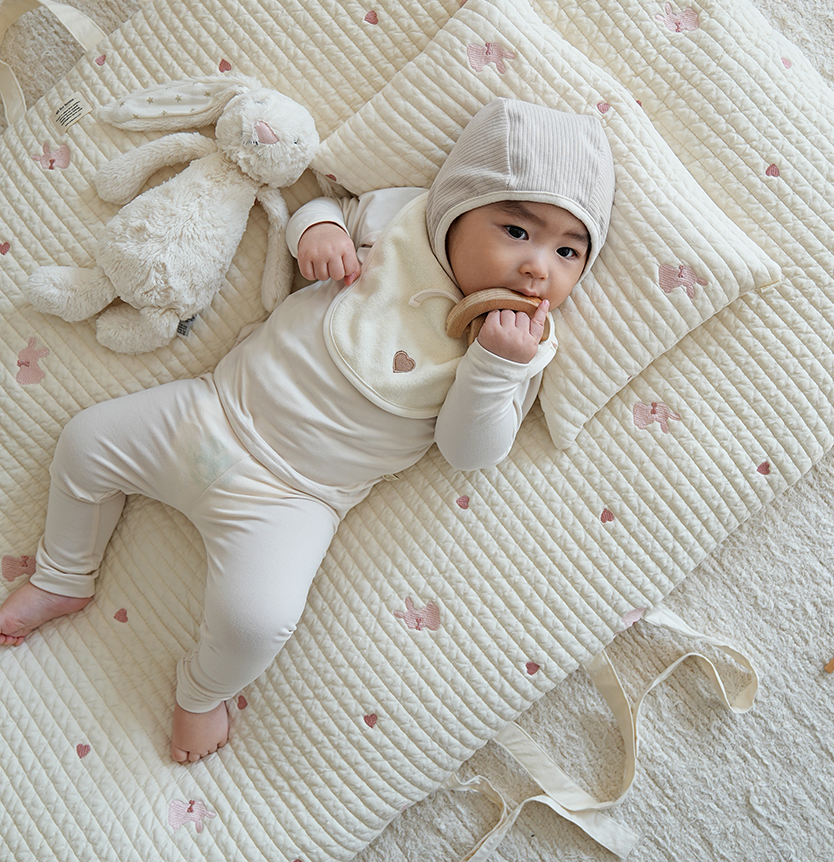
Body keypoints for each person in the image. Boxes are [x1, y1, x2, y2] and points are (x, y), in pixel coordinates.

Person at [0, 98, 615, 763]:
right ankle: (66, 574)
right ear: (457, 205)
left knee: (257, 620)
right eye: (517, 232)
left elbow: (468, 451)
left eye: (568, 250)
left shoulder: (522, 345)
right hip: (212, 415)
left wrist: (495, 366)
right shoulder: (402, 219)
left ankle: (202, 693)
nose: (538, 267)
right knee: (88, 440)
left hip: (298, 498)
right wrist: (317, 235)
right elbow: (321, 209)